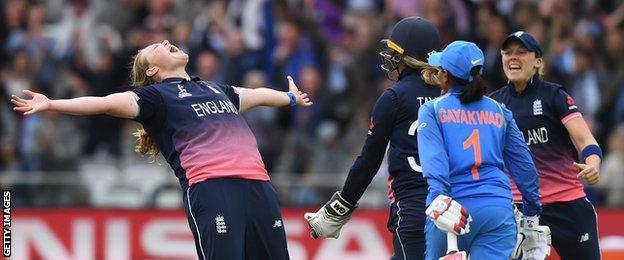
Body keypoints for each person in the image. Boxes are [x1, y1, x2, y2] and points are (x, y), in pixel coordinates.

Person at [11, 40, 313, 260]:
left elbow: (258, 95)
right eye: (157, 46)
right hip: (213, 189)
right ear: (153, 69)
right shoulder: (154, 98)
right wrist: (51, 104)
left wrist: (289, 97)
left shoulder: (216, 89)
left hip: (258, 186)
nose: (167, 41)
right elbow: (103, 103)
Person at [304, 16, 443, 260]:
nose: (390, 57)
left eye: (395, 52)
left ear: (407, 56)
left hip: (412, 205)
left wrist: (339, 209)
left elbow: (369, 161)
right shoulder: (450, 96)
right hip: (453, 205)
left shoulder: (393, 98)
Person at [416, 40, 544, 259]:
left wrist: (439, 200)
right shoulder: (499, 110)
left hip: (451, 211)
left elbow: (434, 161)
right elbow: (525, 168)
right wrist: (531, 216)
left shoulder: (432, 109)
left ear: (445, 76)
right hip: (496, 212)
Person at [490, 31, 602, 260]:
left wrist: (593, 163)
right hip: (518, 208)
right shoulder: (494, 104)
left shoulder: (554, 96)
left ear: (538, 62)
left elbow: (586, 141)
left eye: (521, 52)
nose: (513, 58)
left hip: (567, 204)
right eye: (507, 53)